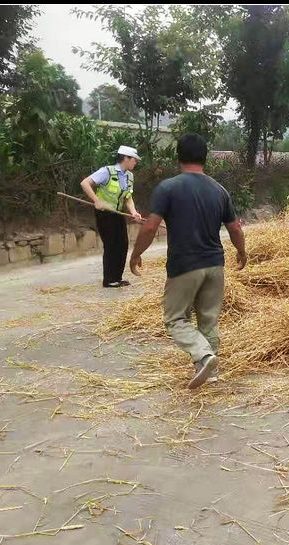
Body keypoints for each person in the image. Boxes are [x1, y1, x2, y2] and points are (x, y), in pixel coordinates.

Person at [129, 133, 248, 390]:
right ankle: (210, 372)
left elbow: (150, 227)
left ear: (178, 156)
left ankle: (203, 356)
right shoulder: (219, 190)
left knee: (175, 319)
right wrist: (241, 251)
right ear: (205, 158)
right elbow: (235, 228)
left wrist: (136, 254)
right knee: (208, 320)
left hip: (185, 265)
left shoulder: (168, 188)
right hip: (215, 265)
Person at [80, 145, 144, 288]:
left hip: (117, 213)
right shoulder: (107, 171)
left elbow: (128, 197)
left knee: (123, 244)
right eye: (134, 159)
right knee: (111, 245)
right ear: (125, 158)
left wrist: (133, 212)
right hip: (104, 213)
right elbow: (85, 183)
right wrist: (96, 200)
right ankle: (109, 280)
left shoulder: (129, 176)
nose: (135, 162)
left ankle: (117, 278)